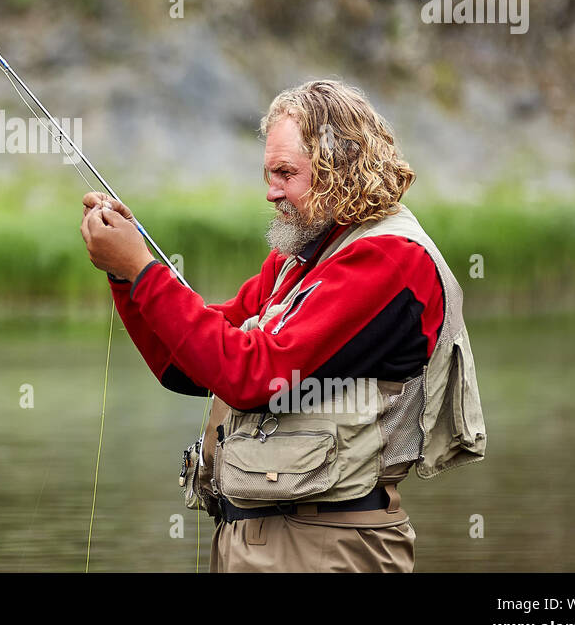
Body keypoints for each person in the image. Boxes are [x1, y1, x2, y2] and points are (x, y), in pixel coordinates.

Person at [79, 78, 485, 572]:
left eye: (285, 173)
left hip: (330, 544)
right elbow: (186, 366)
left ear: (341, 168)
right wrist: (128, 275)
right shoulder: (301, 259)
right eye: (268, 174)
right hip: (262, 539)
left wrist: (146, 270)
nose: (271, 192)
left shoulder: (390, 262)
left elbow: (253, 376)